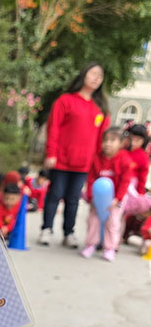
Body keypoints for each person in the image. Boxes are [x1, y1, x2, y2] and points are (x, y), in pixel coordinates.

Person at [39, 63, 109, 248]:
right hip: (61, 159)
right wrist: (51, 153)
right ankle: (46, 229)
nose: (96, 78)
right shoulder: (65, 100)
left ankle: (68, 233)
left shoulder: (100, 108)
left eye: (100, 76)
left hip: (84, 163)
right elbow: (53, 127)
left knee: (73, 199)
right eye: (93, 73)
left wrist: (98, 162)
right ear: (83, 75)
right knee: (55, 195)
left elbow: (101, 139)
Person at [80, 127, 132, 261]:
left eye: (112, 140)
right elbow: (91, 179)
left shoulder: (124, 160)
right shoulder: (97, 158)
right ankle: (90, 244)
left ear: (121, 143)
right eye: (106, 140)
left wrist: (117, 199)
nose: (108, 144)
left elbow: (125, 181)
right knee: (93, 220)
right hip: (97, 198)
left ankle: (110, 247)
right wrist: (91, 197)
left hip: (116, 198)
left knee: (112, 222)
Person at [121, 123, 151, 244]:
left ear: (143, 141)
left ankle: (119, 237)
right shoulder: (121, 151)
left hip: (130, 187)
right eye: (132, 138)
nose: (133, 142)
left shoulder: (143, 156)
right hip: (117, 183)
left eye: (137, 140)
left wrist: (139, 193)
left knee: (121, 214)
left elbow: (142, 177)